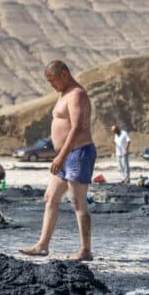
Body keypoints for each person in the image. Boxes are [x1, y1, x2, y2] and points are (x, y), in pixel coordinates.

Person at [19, 60, 96, 261]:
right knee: (50, 197)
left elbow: (77, 126)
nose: (51, 85)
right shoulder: (64, 94)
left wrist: (61, 156)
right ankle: (42, 245)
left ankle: (85, 250)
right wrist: (60, 154)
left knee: (78, 200)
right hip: (65, 154)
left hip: (77, 153)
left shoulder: (77, 94)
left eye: (53, 80)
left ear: (64, 74)